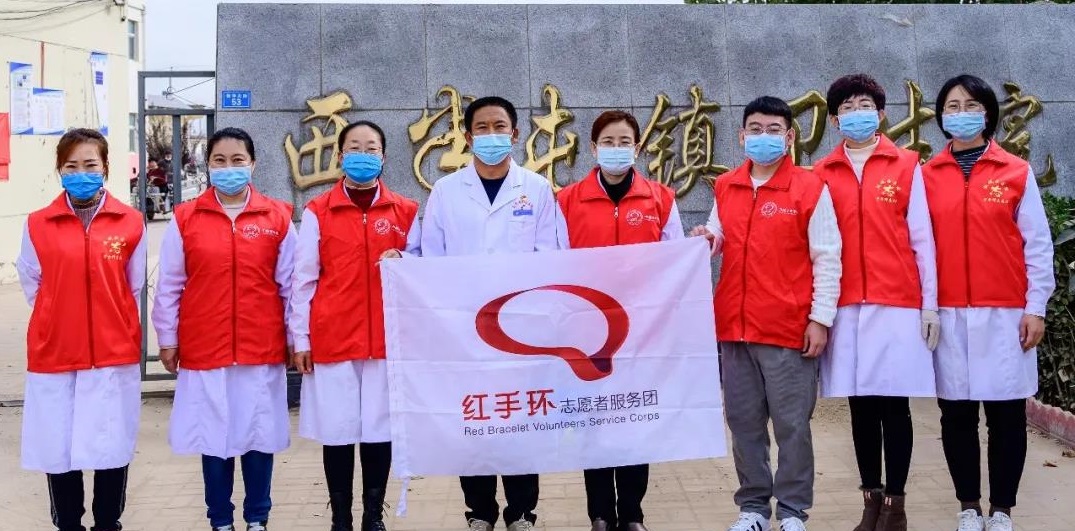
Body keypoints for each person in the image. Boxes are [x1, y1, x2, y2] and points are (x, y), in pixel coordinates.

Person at [690, 96, 842, 531]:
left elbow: (828, 256)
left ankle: (792, 511)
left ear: (790, 137)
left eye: (774, 130)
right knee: (743, 423)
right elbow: (719, 233)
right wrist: (706, 238)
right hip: (734, 328)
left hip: (787, 328)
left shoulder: (809, 188)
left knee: (792, 426)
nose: (764, 137)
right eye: (755, 129)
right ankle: (754, 508)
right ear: (741, 136)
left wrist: (820, 319)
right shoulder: (728, 185)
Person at [421, 96, 567, 531]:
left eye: (499, 127)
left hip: (522, 328)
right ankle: (479, 511)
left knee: (521, 417)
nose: (491, 135)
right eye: (481, 128)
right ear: (468, 137)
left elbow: (551, 256)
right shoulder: (446, 192)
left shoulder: (536, 189)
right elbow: (432, 258)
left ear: (515, 133)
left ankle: (522, 511)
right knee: (475, 418)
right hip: (465, 329)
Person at [922, 74, 1054, 531]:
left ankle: (1001, 510)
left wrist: (1035, 307)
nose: (961, 113)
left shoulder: (1014, 172)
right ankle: (968, 507)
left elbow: (1037, 245)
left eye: (971, 105)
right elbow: (920, 246)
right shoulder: (927, 176)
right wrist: (926, 306)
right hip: (949, 313)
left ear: (988, 113)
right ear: (941, 116)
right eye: (952, 106)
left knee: (1006, 415)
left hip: (1005, 313)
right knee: (956, 415)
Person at [811, 74, 939, 531]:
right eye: (846, 108)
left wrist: (930, 304)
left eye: (864, 105)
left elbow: (922, 239)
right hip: (846, 304)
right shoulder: (822, 173)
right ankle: (871, 500)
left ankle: (896, 506)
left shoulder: (906, 165)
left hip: (897, 304)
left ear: (881, 113)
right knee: (861, 407)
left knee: (894, 406)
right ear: (834, 119)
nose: (856, 114)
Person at [152, 127, 297, 531]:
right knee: (213, 436)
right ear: (208, 165)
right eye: (220, 160)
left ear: (253, 164)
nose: (229, 167)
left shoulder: (277, 217)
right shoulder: (186, 218)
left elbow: (292, 286)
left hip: (260, 346)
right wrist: (168, 338)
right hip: (206, 347)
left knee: (258, 434)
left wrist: (295, 338)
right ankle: (219, 519)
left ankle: (257, 518)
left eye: (237, 160)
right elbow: (170, 284)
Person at [290, 120, 421, 531]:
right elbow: (303, 279)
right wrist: (300, 337)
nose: (363, 155)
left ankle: (372, 515)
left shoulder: (405, 211)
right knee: (339, 431)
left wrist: (406, 260)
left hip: (386, 338)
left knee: (380, 430)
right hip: (334, 336)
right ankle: (341, 517)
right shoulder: (318, 211)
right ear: (340, 155)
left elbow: (424, 267)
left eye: (371, 148)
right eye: (354, 148)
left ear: (383, 156)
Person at [556, 110, 682, 531]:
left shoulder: (661, 199)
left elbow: (674, 262)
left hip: (641, 332)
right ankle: (599, 513)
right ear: (593, 149)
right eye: (607, 142)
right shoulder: (566, 201)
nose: (616, 148)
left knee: (633, 419)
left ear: (638, 148)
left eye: (624, 141)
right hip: (586, 333)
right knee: (593, 421)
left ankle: (631, 513)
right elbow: (556, 264)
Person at [17, 128, 146, 531]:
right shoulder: (38, 224)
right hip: (56, 352)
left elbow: (133, 285)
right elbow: (32, 282)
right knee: (59, 447)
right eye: (71, 166)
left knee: (111, 445)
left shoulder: (130, 222)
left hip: (112, 353)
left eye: (90, 164)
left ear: (105, 168)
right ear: (59, 169)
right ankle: (68, 524)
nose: (81, 173)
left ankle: (108, 522)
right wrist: (61, 317)